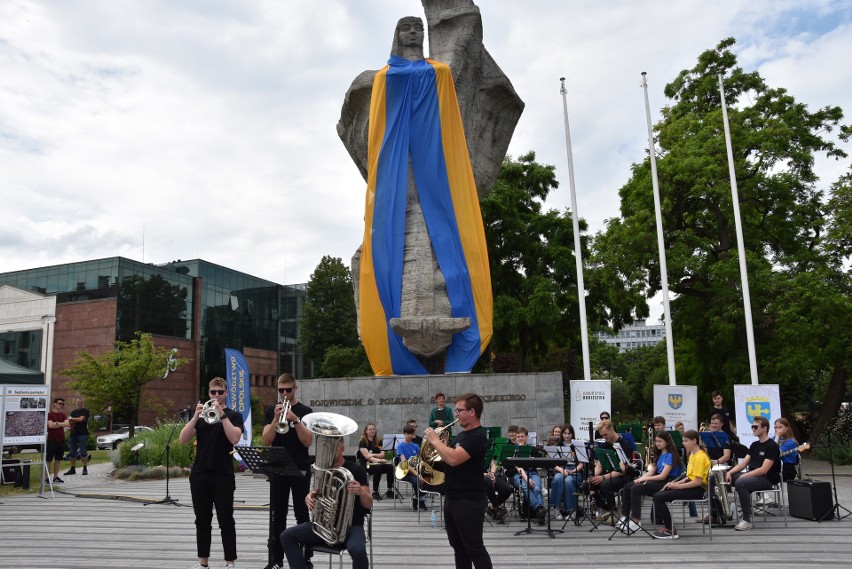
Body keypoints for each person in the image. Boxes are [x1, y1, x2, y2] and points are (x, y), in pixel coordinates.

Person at [179, 377, 244, 569]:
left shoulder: (234, 415)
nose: (216, 395)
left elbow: (234, 438)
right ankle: (203, 562)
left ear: (226, 393)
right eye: (213, 392)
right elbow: (183, 439)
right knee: (202, 520)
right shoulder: (202, 416)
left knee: (226, 519)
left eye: (220, 392)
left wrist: (222, 415)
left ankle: (229, 562)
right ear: (208, 394)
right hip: (200, 473)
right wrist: (195, 417)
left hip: (222, 473)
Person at [280, 437, 372, 569]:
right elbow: (315, 492)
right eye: (324, 449)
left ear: (342, 449)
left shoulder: (356, 470)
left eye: (331, 449)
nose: (326, 453)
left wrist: (361, 492)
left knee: (358, 551)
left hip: (351, 526)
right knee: (286, 536)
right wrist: (309, 497)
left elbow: (368, 504)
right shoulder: (322, 469)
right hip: (323, 526)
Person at [424, 393, 492, 569]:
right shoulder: (461, 436)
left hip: (469, 500)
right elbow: (447, 461)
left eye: (459, 411)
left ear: (471, 411)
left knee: (474, 549)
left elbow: (454, 458)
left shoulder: (477, 436)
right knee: (459, 548)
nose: (456, 415)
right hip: (453, 497)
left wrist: (435, 440)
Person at [261, 373, 313, 569]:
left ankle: (304, 557)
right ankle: (276, 560)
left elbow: (308, 441)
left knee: (302, 514)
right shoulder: (271, 411)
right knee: (277, 515)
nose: (284, 393)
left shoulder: (305, 411)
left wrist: (296, 420)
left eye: (287, 390)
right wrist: (276, 419)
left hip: (299, 468)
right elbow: (266, 439)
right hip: (278, 469)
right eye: (280, 390)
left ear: (295, 388)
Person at [651, 430, 712, 539]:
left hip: (697, 490)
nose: (683, 443)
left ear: (694, 441)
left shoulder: (700, 457)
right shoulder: (693, 455)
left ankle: (670, 529)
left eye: (686, 441)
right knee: (659, 494)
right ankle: (668, 526)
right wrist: (674, 483)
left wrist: (677, 486)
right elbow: (689, 477)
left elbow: (697, 482)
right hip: (692, 486)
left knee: (658, 497)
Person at [619, 431, 684, 533]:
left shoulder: (670, 456)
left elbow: (663, 476)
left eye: (660, 441)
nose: (657, 443)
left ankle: (636, 520)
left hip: (667, 482)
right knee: (628, 485)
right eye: (656, 441)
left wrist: (645, 479)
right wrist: (640, 478)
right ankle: (625, 516)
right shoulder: (660, 454)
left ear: (667, 442)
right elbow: (652, 471)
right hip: (657, 480)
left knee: (636, 489)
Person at [725, 415, 781, 531]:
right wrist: (729, 472)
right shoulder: (754, 445)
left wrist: (743, 476)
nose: (753, 429)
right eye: (752, 427)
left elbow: (763, 470)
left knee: (741, 482)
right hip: (752, 477)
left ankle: (746, 520)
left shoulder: (772, 446)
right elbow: (743, 464)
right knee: (715, 477)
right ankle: (716, 513)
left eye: (756, 427)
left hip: (765, 479)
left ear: (764, 428)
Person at [588, 419, 637, 516]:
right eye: (602, 435)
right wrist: (592, 476)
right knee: (587, 485)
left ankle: (613, 512)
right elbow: (600, 465)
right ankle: (606, 508)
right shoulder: (606, 444)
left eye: (605, 434)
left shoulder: (625, 445)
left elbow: (622, 471)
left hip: (624, 477)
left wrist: (602, 477)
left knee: (605, 485)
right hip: (610, 475)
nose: (604, 437)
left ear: (612, 429)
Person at [511, 427, 547, 525]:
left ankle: (540, 513)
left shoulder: (532, 449)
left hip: (532, 473)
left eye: (522, 436)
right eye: (518, 437)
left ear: (527, 437)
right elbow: (517, 467)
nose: (520, 438)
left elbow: (539, 462)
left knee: (536, 488)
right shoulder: (514, 449)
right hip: (518, 475)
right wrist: (526, 478)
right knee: (526, 487)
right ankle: (539, 509)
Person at [549, 424, 585, 520]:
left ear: (572, 434)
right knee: (557, 478)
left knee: (568, 481)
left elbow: (581, 464)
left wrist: (573, 471)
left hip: (575, 471)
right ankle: (556, 508)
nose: (567, 435)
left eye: (569, 433)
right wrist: (561, 470)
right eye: (565, 433)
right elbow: (554, 464)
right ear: (562, 434)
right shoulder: (558, 445)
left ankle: (572, 510)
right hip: (561, 470)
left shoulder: (577, 445)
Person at [358, 422, 394, 500]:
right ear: (366, 431)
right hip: (367, 464)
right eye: (370, 429)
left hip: (379, 462)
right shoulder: (363, 442)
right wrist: (378, 460)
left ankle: (389, 490)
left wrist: (373, 455)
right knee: (378, 467)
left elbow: (383, 454)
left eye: (374, 429)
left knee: (390, 467)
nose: (372, 431)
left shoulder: (379, 441)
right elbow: (367, 457)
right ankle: (375, 492)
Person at [396, 424, 427, 510]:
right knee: (416, 481)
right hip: (404, 472)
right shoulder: (400, 446)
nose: (410, 436)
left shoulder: (415, 446)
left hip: (415, 470)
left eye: (411, 434)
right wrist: (417, 475)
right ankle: (420, 500)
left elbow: (420, 459)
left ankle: (415, 499)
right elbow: (404, 463)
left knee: (428, 479)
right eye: (407, 434)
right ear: (404, 434)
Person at [64, 397, 90, 476]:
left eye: (81, 402)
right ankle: (72, 469)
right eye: (78, 402)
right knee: (72, 452)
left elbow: (81, 419)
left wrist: (73, 419)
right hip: (73, 434)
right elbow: (69, 422)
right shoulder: (73, 412)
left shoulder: (85, 411)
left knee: (83, 451)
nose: (79, 404)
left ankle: (85, 468)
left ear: (83, 403)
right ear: (76, 403)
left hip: (82, 434)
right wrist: (73, 419)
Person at [46, 398, 69, 483]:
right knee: (49, 459)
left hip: (61, 439)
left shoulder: (63, 415)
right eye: (59, 403)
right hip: (52, 439)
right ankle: (46, 478)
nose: (61, 405)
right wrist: (61, 424)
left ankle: (56, 477)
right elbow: (50, 426)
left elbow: (67, 424)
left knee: (58, 459)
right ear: (54, 404)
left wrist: (57, 423)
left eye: (62, 404)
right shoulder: (50, 414)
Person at [774, 417, 800, 482]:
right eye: (776, 427)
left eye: (780, 427)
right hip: (775, 466)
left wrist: (777, 436)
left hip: (786, 469)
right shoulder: (775, 438)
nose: (778, 430)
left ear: (787, 428)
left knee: (763, 477)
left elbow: (774, 452)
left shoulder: (791, 441)